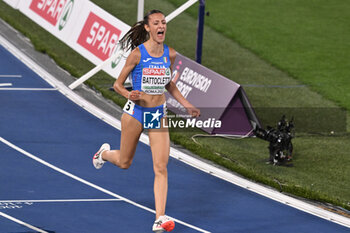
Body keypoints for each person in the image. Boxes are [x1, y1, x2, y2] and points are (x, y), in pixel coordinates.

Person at [92, 9, 200, 232]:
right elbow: (117, 84)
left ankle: (160, 218)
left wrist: (187, 104)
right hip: (135, 113)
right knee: (124, 162)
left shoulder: (170, 54)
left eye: (164, 22)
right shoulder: (137, 55)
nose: (161, 26)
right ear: (148, 28)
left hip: (158, 113)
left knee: (161, 167)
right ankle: (102, 154)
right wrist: (127, 94)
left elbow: (168, 83)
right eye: (156, 23)